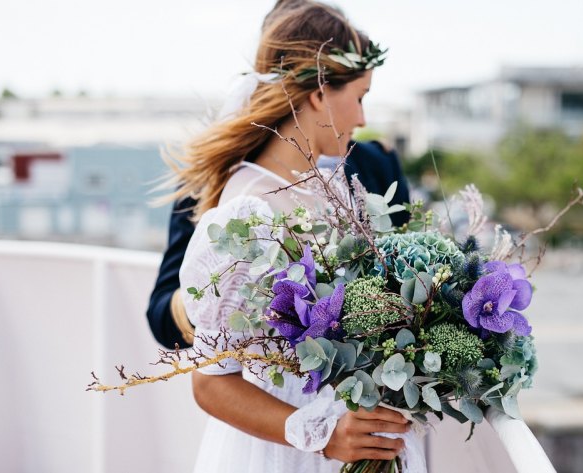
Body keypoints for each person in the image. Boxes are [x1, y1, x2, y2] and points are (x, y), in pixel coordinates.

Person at [163, 2, 419, 472]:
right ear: (321, 92)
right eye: (360, 96)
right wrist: (322, 436)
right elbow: (212, 383)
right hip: (286, 454)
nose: (362, 118)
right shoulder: (247, 217)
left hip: (358, 441)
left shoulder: (337, 188)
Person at [146, 2, 411, 351]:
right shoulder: (217, 180)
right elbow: (165, 317)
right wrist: (227, 282)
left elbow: (405, 272)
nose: (362, 117)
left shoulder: (377, 164)